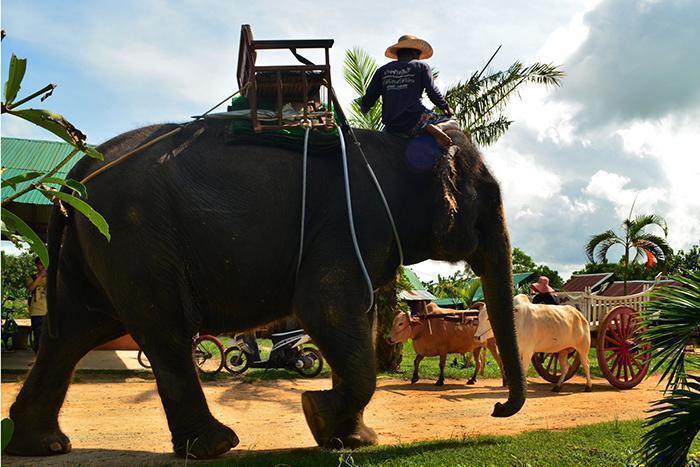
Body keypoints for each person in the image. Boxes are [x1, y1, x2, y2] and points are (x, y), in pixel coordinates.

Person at [360, 34, 458, 148]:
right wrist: (445, 107)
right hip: (416, 121)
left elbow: (369, 97)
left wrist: (364, 108)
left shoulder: (382, 71)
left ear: (398, 54)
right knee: (454, 123)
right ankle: (436, 128)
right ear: (413, 52)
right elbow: (432, 91)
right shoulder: (421, 66)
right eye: (419, 54)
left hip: (392, 126)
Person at [26, 257, 48, 353]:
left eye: (44, 264)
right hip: (36, 311)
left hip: (49, 310)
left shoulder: (51, 278)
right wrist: (40, 276)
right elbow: (31, 288)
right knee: (38, 334)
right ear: (36, 265)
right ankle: (38, 355)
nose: (42, 266)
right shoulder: (32, 278)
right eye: (40, 264)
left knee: (48, 335)